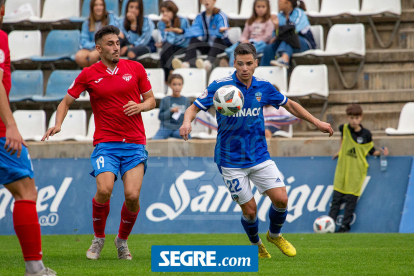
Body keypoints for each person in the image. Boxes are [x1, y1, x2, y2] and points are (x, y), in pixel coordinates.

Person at [179, 43, 333, 258]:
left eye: (249, 64)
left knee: (281, 199)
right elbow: (194, 107)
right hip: (230, 160)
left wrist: (317, 122)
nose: (244, 68)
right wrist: (187, 122)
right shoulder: (220, 88)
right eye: (240, 63)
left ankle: (275, 235)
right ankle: (256, 243)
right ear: (234, 63)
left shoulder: (264, 87)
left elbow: (290, 105)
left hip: (259, 156)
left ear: (256, 63)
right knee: (250, 211)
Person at [41, 25, 156, 260]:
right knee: (104, 190)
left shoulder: (135, 68)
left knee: (132, 197)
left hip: (134, 144)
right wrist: (58, 123)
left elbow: (151, 100)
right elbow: (65, 102)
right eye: (111, 44)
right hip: (106, 143)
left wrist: (141, 106)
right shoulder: (88, 73)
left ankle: (122, 241)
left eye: (118, 43)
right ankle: (98, 238)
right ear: (99, 48)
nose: (116, 47)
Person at [0, 1, 56, 275]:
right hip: (1, 133)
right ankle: (35, 268)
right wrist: (10, 124)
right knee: (26, 192)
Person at [329, 104, 389, 233]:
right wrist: (340, 151)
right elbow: (342, 141)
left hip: (356, 171)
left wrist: (381, 152)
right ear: (347, 117)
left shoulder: (366, 134)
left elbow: (371, 151)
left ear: (361, 118)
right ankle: (330, 225)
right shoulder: (343, 129)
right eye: (351, 117)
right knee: (336, 199)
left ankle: (345, 226)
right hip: (342, 170)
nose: (354, 120)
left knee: (351, 201)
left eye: (356, 117)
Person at [171, 0, 231, 72]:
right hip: (209, 46)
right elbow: (195, 30)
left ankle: (207, 63)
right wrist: (182, 31)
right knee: (193, 40)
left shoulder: (220, 15)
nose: (206, 1)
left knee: (217, 40)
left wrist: (220, 31)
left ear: (214, 1)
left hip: (221, 46)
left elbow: (223, 32)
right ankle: (186, 64)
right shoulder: (200, 16)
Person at [260, 0, 316, 68]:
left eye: (280, 1)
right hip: (285, 43)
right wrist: (276, 27)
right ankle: (263, 72)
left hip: (304, 43)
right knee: (269, 47)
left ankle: (285, 58)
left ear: (288, 3)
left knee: (290, 36)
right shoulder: (279, 16)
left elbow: (293, 30)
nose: (278, 2)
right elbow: (275, 36)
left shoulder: (299, 13)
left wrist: (278, 29)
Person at [222, 0, 274, 67]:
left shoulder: (268, 21)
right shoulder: (250, 21)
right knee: (236, 49)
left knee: (245, 50)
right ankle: (232, 66)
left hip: (260, 43)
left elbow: (268, 36)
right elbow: (244, 35)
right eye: (258, 7)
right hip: (248, 43)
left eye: (263, 7)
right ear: (254, 8)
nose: (260, 9)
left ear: (267, 8)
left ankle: (237, 66)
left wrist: (253, 41)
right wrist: (244, 40)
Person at [75, 0, 118, 68]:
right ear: (92, 8)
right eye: (96, 5)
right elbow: (84, 41)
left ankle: (95, 76)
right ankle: (90, 75)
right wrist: (95, 46)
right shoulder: (87, 23)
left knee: (93, 56)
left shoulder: (109, 17)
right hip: (92, 46)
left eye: (101, 5)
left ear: (104, 7)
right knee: (79, 57)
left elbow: (111, 35)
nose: (99, 7)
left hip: (106, 47)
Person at [157, 1, 190, 82]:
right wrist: (168, 26)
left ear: (173, 11)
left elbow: (184, 39)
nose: (164, 14)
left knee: (164, 50)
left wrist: (169, 28)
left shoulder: (183, 21)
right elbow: (166, 40)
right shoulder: (161, 23)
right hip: (170, 48)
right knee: (165, 49)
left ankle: (166, 78)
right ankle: (171, 71)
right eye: (163, 12)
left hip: (183, 47)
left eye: (167, 11)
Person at [153, 74, 191, 140]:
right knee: (155, 140)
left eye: (179, 84)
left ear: (182, 85)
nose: (177, 87)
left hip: (180, 129)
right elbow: (160, 117)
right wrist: (171, 111)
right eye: (174, 84)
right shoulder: (165, 100)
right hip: (165, 128)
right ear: (170, 85)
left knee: (189, 140)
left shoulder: (186, 100)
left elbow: (188, 117)